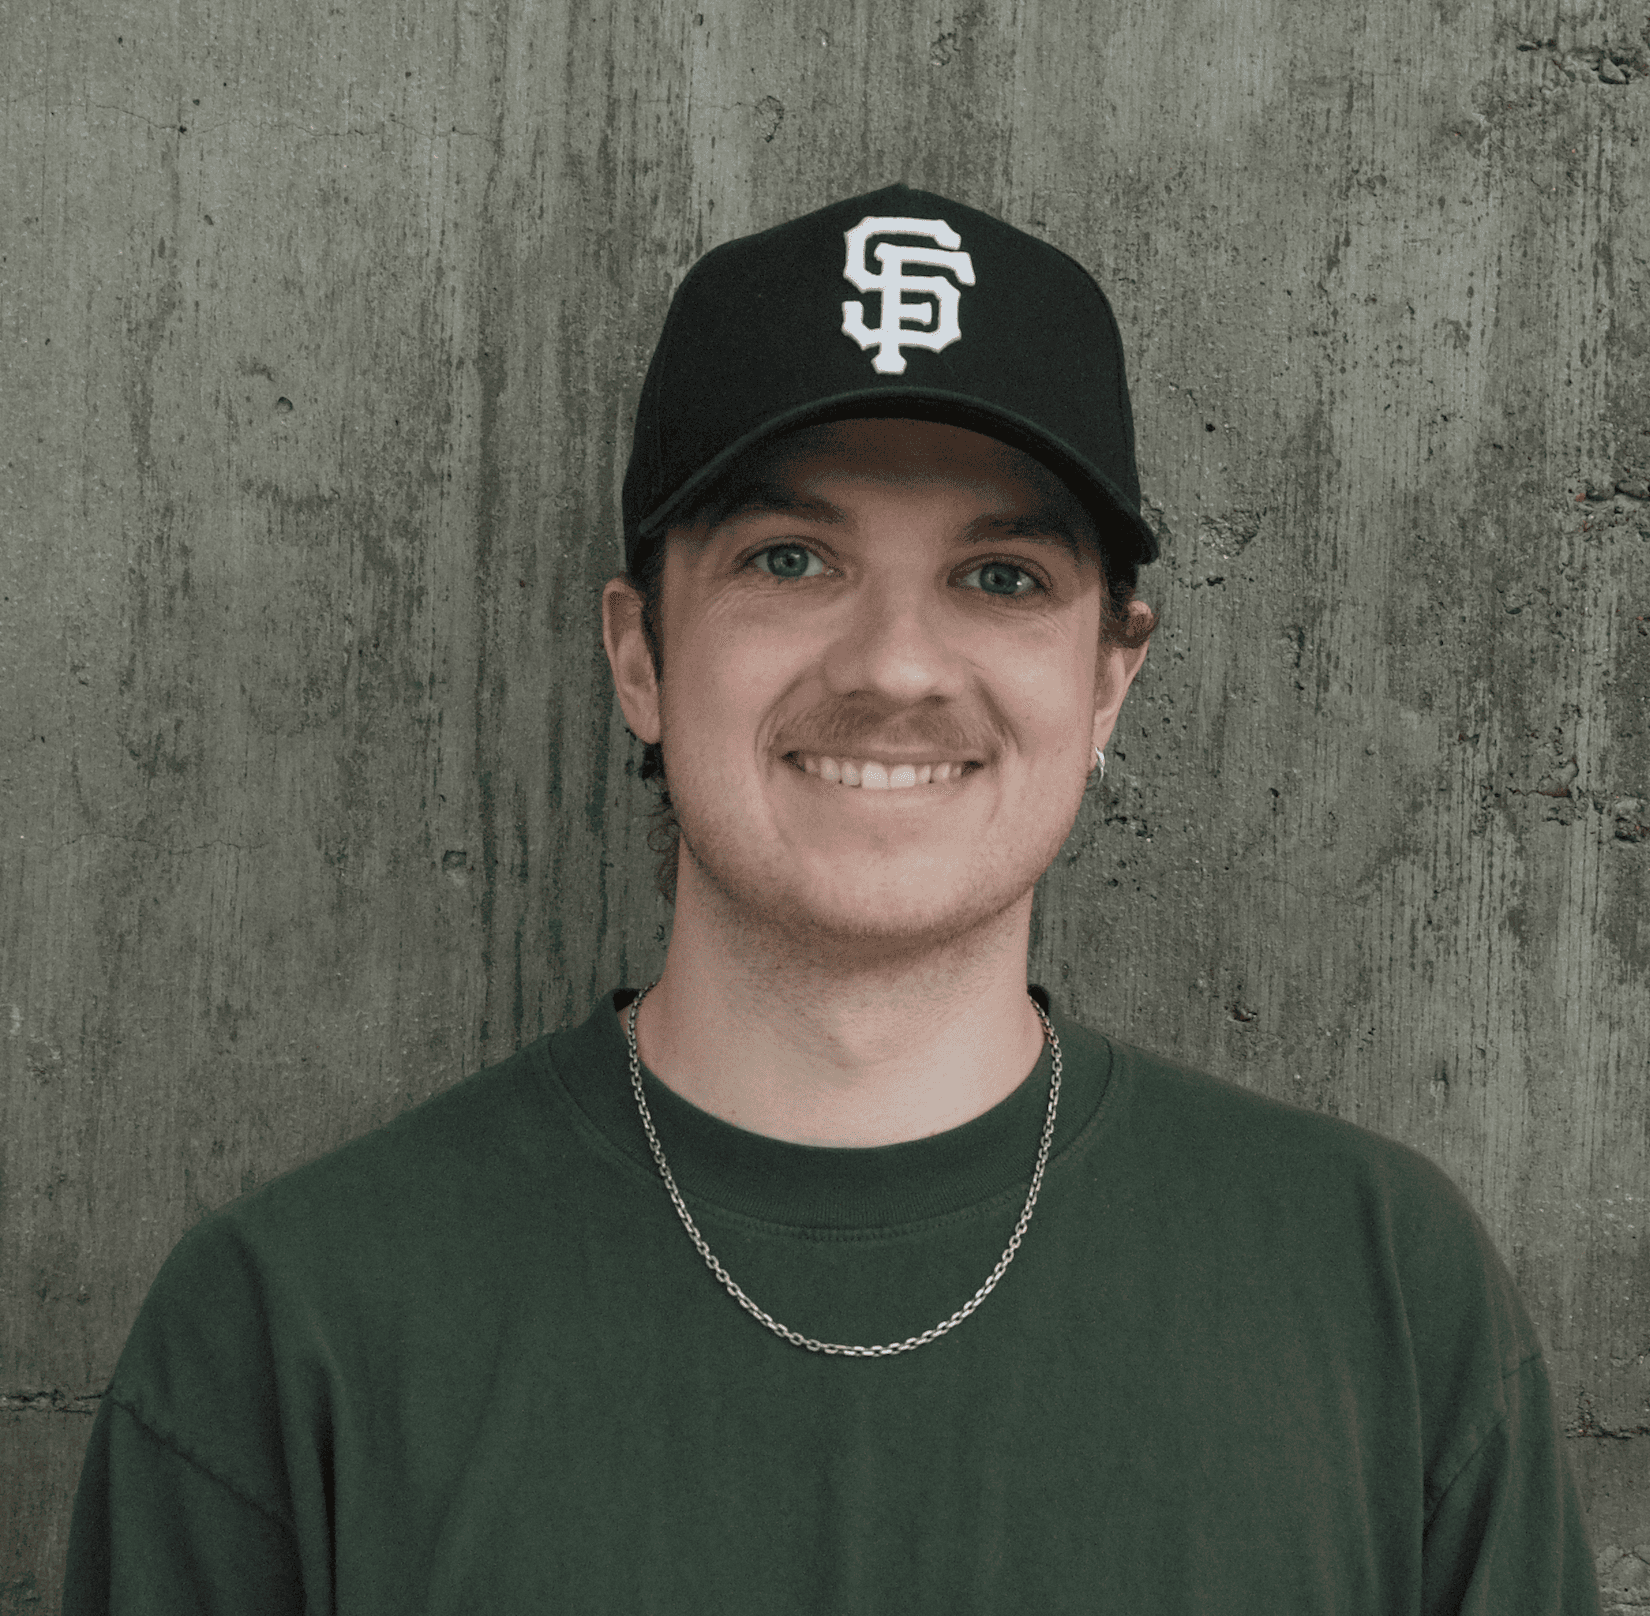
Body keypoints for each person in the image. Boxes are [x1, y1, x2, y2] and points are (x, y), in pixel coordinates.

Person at [62, 184, 1600, 1614]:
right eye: (790, 559)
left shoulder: (1378, 1291)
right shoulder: (292, 1326)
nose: (895, 666)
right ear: (640, 656)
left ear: (1107, 680)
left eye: (1000, 576)